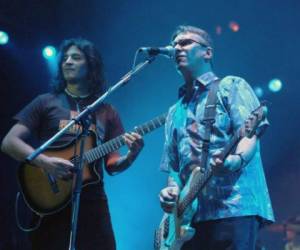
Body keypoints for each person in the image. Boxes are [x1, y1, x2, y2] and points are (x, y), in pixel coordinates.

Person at [1, 38, 144, 250]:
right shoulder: (45, 102)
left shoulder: (107, 112)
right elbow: (9, 142)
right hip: (50, 198)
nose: (67, 62)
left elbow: (113, 165)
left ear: (91, 65)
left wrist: (131, 156)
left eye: (76, 58)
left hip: (92, 201)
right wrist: (46, 163)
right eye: (65, 58)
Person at [159, 25, 274, 250]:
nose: (176, 48)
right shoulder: (174, 112)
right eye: (174, 45)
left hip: (234, 207)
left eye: (185, 43)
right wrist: (171, 191)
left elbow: (250, 135)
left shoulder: (231, 86)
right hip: (189, 220)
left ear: (207, 53)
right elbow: (174, 167)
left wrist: (235, 160)